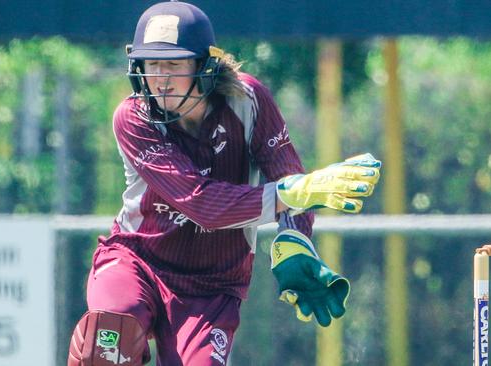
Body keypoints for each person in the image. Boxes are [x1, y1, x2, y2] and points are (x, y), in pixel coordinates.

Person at [67, 1, 381, 365]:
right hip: (137, 262)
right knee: (103, 347)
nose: (161, 78)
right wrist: (289, 194)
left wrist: (294, 238)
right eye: (151, 64)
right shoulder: (133, 118)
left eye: (173, 64)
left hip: (213, 285)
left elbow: (288, 176)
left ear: (204, 67)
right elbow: (202, 204)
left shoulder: (248, 101)